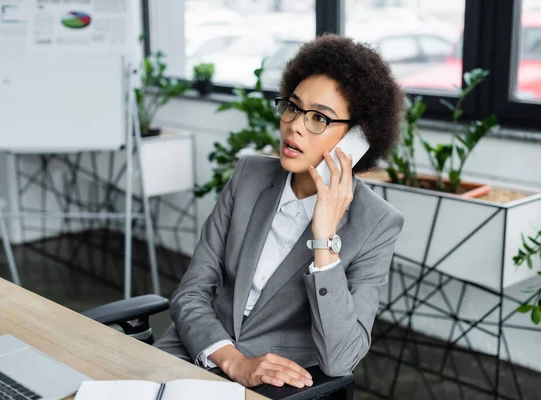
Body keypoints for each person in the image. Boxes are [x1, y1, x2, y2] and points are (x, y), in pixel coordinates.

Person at [154, 33, 405, 389]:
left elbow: (342, 358)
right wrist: (233, 360)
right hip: (192, 353)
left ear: (357, 139)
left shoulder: (376, 224)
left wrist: (324, 240)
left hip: (272, 385)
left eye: (319, 118)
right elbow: (192, 291)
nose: (295, 125)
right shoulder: (249, 177)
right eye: (293, 106)